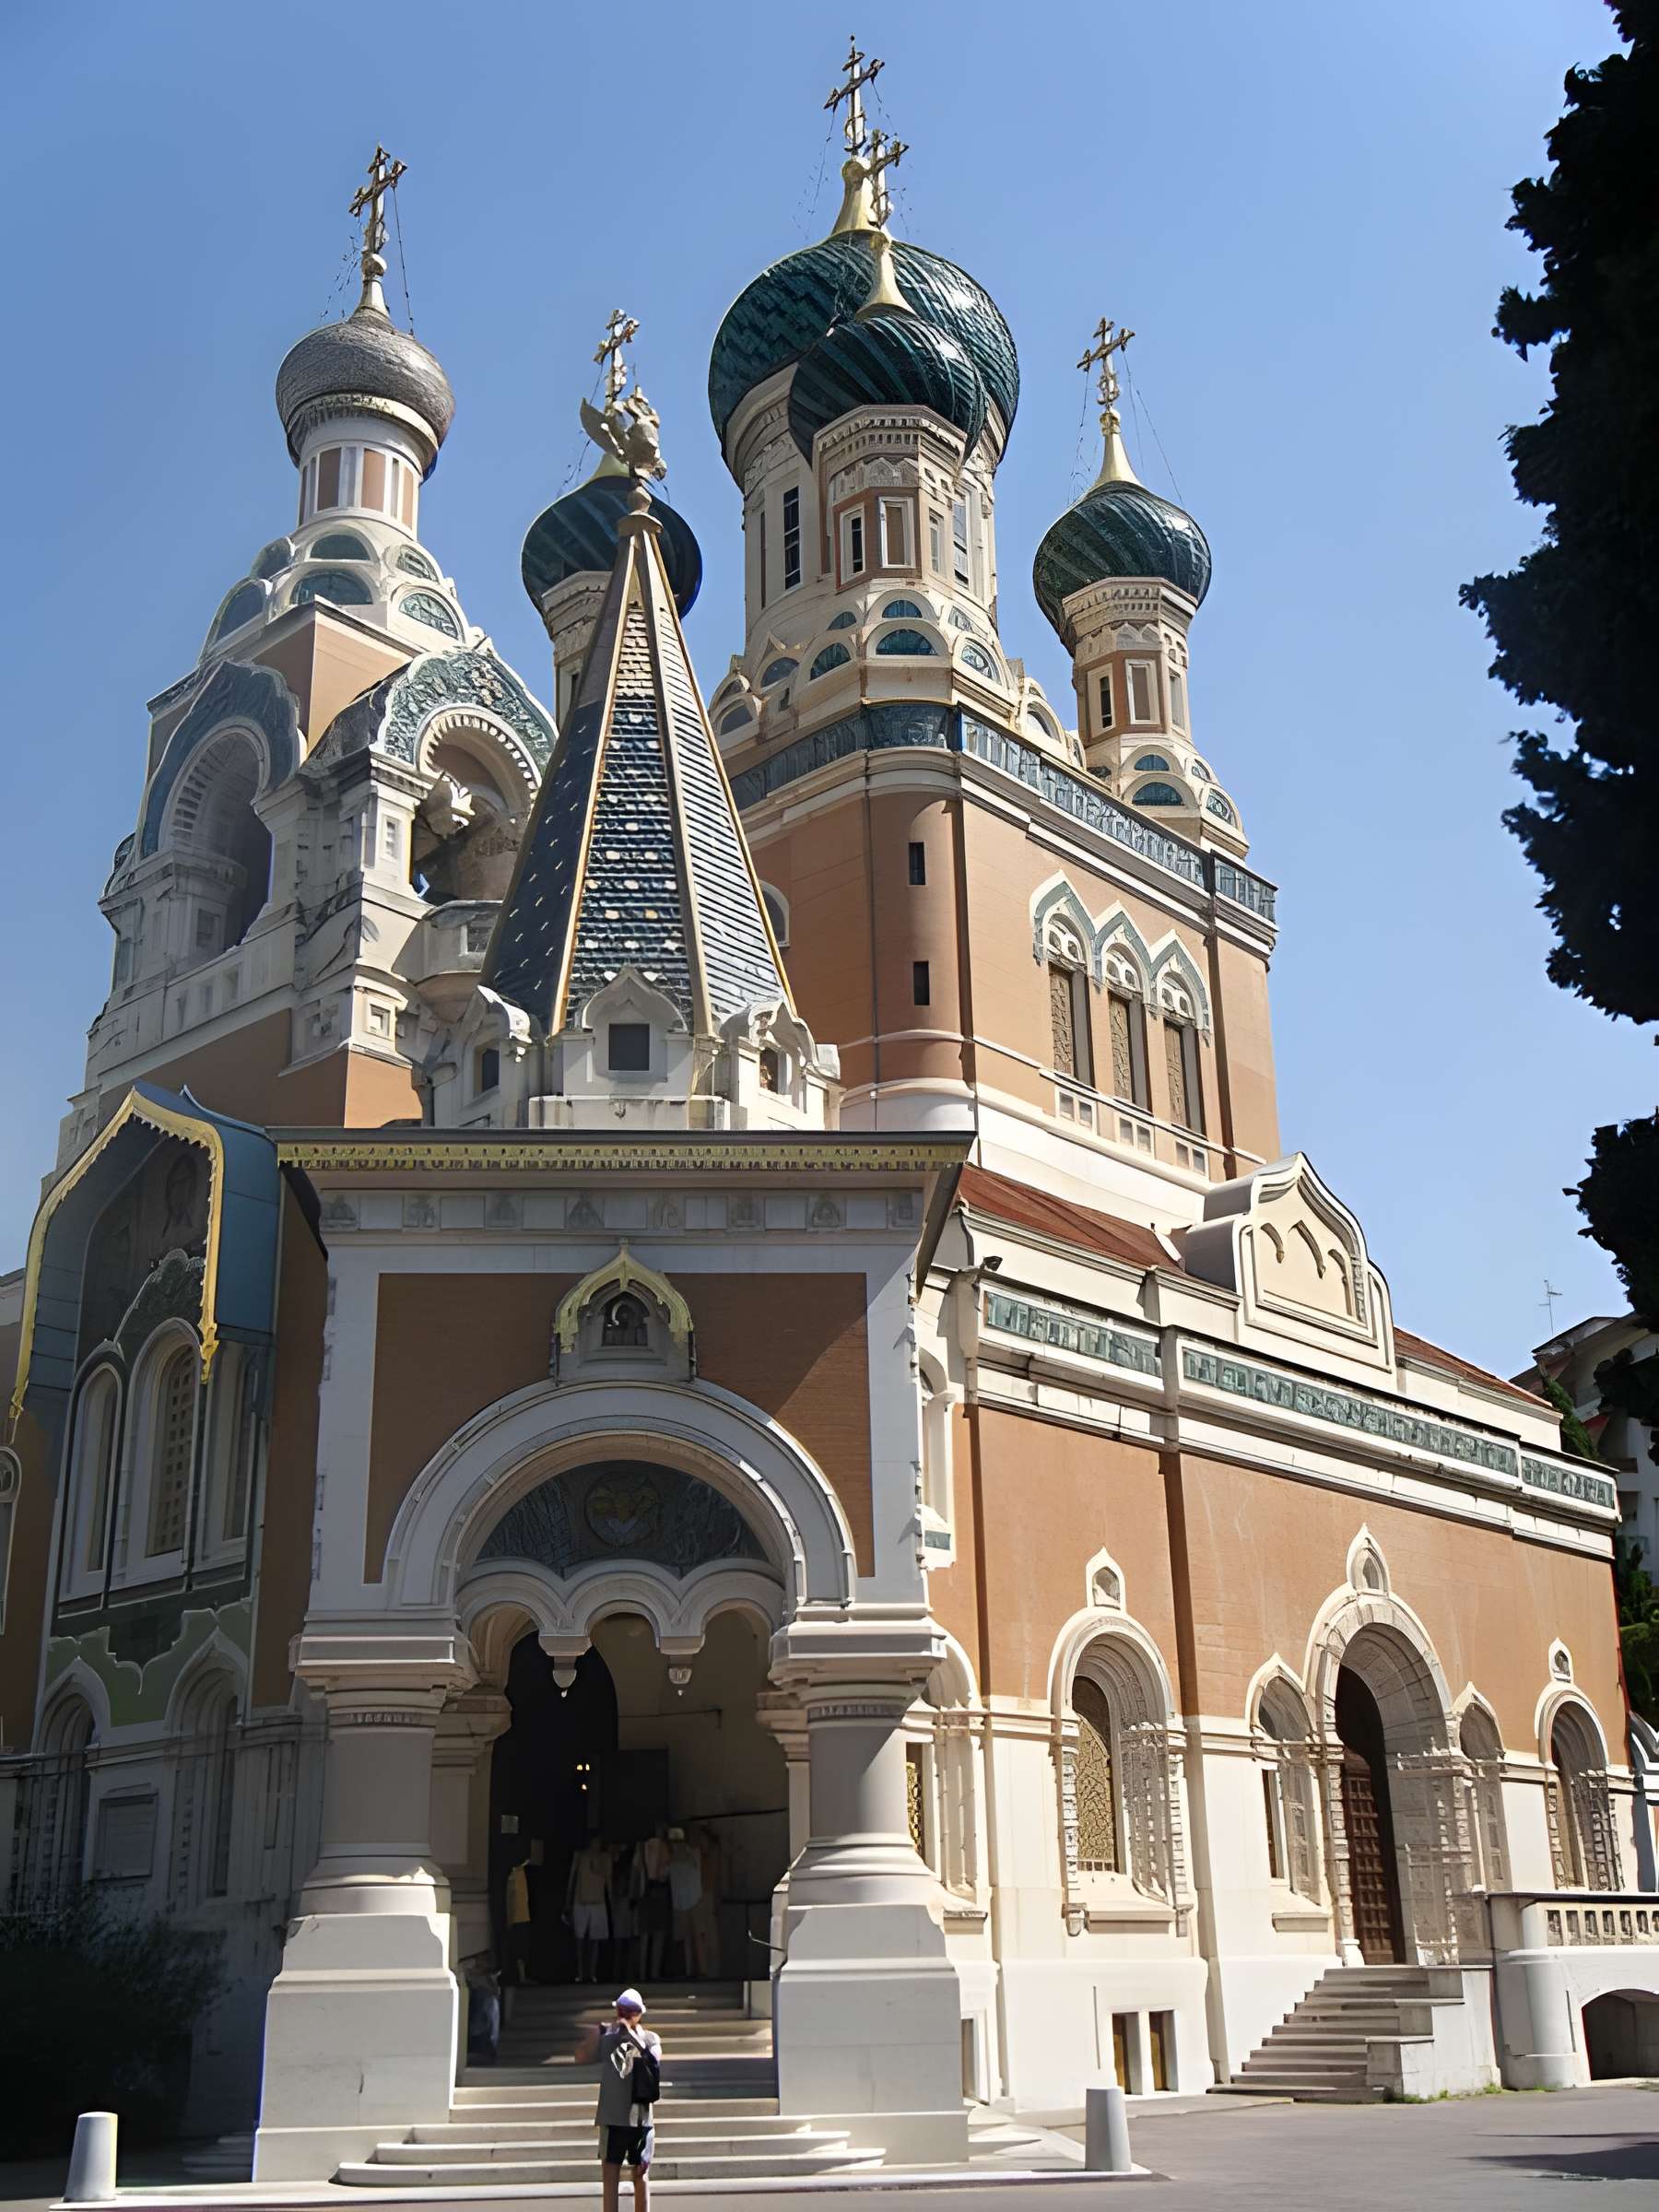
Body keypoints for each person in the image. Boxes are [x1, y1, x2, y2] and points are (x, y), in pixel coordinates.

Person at [577, 1987, 661, 2212]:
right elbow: (581, 2057)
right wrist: (597, 2035)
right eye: (621, 2011)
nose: (624, 2017)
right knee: (609, 2175)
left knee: (640, 2175)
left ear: (639, 2014)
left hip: (640, 2119)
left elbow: (653, 2060)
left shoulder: (650, 2038)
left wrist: (631, 2034)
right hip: (612, 2117)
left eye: (629, 2012)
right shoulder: (606, 2038)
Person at [566, 1835, 612, 1984]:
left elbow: (608, 1880)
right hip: (581, 1901)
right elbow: (572, 1877)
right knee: (580, 1939)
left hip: (598, 1902)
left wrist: (610, 1901)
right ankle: (579, 1972)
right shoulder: (580, 1856)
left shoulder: (605, 1858)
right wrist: (568, 1901)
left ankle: (591, 1973)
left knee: (595, 1940)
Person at [633, 1826, 671, 1982]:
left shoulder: (642, 1848)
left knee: (645, 1936)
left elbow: (636, 1871)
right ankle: (654, 1973)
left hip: (644, 1893)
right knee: (658, 1935)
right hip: (659, 1892)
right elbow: (666, 1873)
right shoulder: (665, 1848)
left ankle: (642, 1973)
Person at [666, 1827, 701, 1978]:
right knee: (685, 1937)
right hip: (682, 1901)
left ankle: (698, 1969)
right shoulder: (672, 1858)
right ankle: (688, 1969)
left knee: (694, 1936)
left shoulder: (690, 1854)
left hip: (691, 1900)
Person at [688, 1823, 721, 1981]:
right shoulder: (698, 1856)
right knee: (701, 1934)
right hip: (699, 1895)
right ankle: (703, 1969)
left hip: (706, 1895)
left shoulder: (710, 1856)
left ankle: (710, 1969)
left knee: (708, 1935)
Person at [504, 1853, 533, 1987]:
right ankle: (520, 1977)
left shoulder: (521, 1872)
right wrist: (509, 1918)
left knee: (522, 1948)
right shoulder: (514, 1874)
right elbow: (511, 1897)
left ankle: (522, 1976)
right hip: (517, 1917)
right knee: (518, 1949)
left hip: (523, 1916)